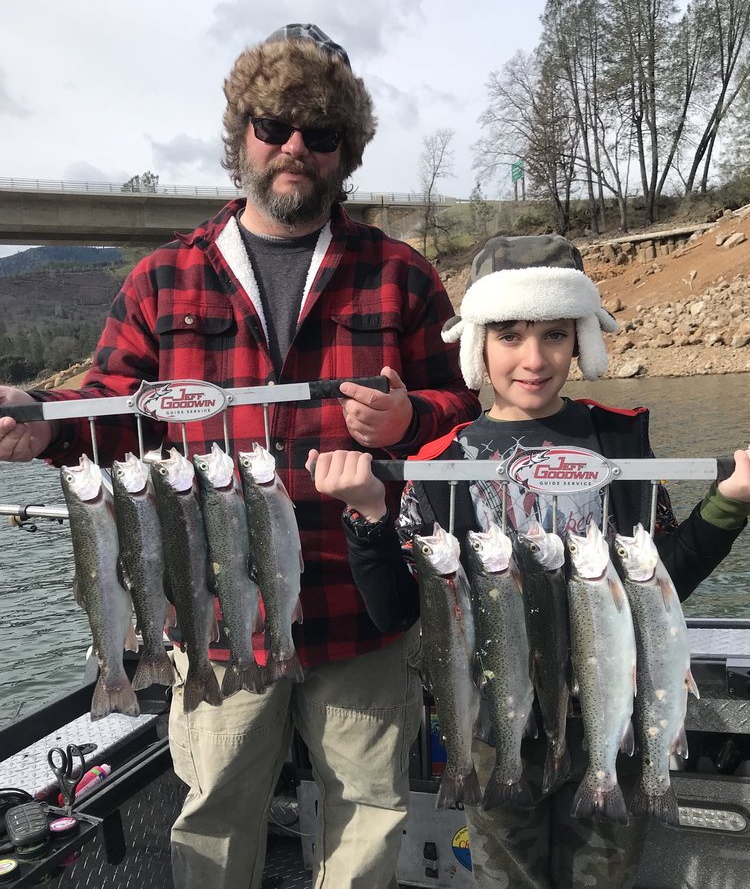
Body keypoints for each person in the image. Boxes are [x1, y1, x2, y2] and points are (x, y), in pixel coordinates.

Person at [0, 24, 480, 889]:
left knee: (369, 821)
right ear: (242, 138)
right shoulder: (162, 277)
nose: (295, 146)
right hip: (219, 619)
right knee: (216, 815)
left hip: (362, 608)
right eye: (274, 125)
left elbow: (463, 410)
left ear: (346, 149)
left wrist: (413, 413)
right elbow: (111, 405)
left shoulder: (401, 274)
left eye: (320, 132)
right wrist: (44, 422)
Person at [308, 233, 750, 888]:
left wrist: (728, 503)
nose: (534, 358)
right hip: (493, 728)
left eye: (555, 334)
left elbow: (664, 582)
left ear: (580, 340)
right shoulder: (438, 465)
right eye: (510, 334)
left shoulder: (620, 441)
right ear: (478, 343)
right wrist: (369, 514)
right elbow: (396, 609)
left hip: (609, 722)